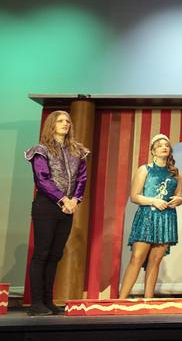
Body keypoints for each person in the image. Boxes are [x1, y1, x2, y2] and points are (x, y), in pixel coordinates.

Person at [24, 110, 89, 316]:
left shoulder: (77, 151)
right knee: (42, 253)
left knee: (55, 255)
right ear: (52, 124)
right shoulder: (41, 150)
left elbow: (82, 179)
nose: (65, 124)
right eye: (60, 121)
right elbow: (42, 179)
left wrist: (74, 200)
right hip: (47, 205)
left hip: (67, 207)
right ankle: (36, 304)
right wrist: (62, 198)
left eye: (68, 121)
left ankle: (48, 301)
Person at [119, 134, 182, 298]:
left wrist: (178, 200)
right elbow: (134, 196)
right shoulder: (144, 169)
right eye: (160, 145)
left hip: (166, 217)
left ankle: (149, 300)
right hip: (147, 216)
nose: (164, 147)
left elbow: (178, 195)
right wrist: (153, 201)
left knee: (155, 261)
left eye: (167, 145)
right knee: (137, 257)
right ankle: (121, 299)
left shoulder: (175, 173)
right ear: (153, 150)